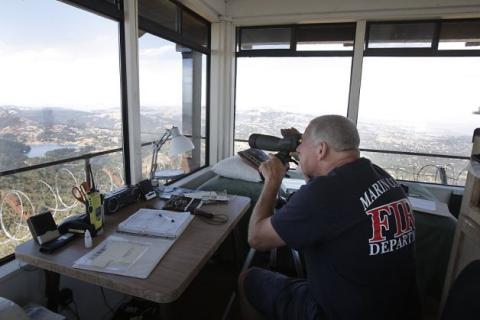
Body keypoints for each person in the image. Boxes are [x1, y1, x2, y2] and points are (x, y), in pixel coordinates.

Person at [239, 115, 419, 320]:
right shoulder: (381, 176)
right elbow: (326, 201)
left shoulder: (324, 194)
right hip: (396, 308)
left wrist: (272, 180)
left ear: (321, 149)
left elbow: (257, 238)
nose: (297, 149)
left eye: (302, 144)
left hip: (337, 313)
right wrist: (308, 157)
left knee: (248, 279)